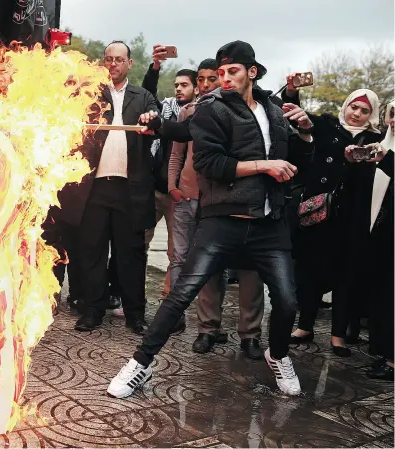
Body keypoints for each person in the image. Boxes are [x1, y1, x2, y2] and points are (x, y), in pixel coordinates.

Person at [107, 41, 314, 398]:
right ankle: (140, 364)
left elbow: (299, 163)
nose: (225, 79)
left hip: (269, 224)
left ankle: (278, 355)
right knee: (181, 293)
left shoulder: (276, 110)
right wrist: (264, 165)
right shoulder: (212, 109)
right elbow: (210, 165)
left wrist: (307, 132)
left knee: (288, 301)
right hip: (222, 221)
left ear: (252, 71)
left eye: (233, 71)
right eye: (220, 73)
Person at [168, 58, 266, 354]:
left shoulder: (259, 112)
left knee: (250, 270)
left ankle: (250, 335)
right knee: (208, 267)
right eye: (206, 78)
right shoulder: (194, 111)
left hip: (245, 201)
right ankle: (208, 329)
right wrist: (174, 187)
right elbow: (178, 146)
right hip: (201, 201)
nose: (213, 83)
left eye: (221, 75)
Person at [289, 90, 384, 357]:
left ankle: (338, 335)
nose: (356, 114)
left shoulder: (375, 140)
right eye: (354, 107)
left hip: (353, 216)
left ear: (371, 115)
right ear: (346, 105)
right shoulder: (328, 125)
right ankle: (304, 326)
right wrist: (293, 92)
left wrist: (357, 161)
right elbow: (301, 120)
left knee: (345, 275)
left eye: (364, 111)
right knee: (310, 271)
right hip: (319, 213)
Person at [73, 41, 158, 334]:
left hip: (130, 188)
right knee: (92, 251)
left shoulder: (143, 96)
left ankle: (135, 314)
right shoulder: (91, 94)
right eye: (108, 59)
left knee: (130, 254)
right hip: (94, 187)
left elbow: (155, 121)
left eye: (119, 59)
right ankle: (92, 310)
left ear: (129, 64)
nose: (113, 64)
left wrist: (151, 119)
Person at [141, 44, 197, 299]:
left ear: (196, 88)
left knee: (177, 254)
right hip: (154, 190)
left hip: (181, 196)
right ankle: (130, 295)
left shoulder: (202, 114)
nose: (178, 89)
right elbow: (146, 95)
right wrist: (155, 67)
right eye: (176, 85)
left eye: (184, 84)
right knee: (138, 244)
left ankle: (170, 303)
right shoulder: (165, 108)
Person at [363, 101, 394, 380]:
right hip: (383, 234)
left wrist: (387, 160)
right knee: (383, 293)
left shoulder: (386, 153)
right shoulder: (382, 145)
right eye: (393, 114)